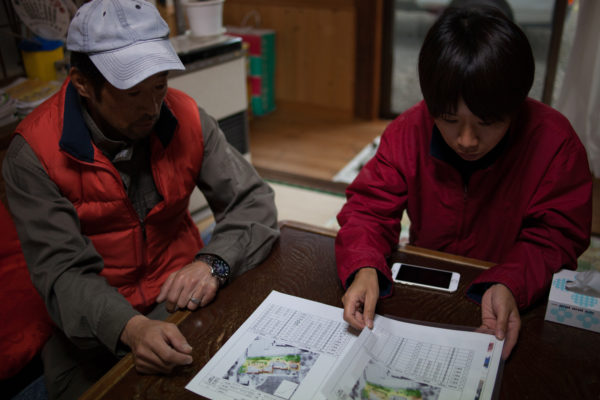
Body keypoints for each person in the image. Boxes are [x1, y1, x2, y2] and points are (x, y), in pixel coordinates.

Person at [2, 0, 279, 398]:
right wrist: (130, 328)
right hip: (92, 324)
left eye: (159, 84)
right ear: (82, 83)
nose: (151, 107)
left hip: (182, 294)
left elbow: (252, 200)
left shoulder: (183, 115)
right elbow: (62, 274)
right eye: (132, 92)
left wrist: (212, 263)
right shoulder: (33, 155)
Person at [336, 5, 592, 361]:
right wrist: (364, 265)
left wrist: (510, 282)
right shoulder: (408, 131)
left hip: (510, 289)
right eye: (450, 120)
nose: (467, 140)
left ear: (515, 105)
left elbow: (556, 235)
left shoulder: (555, 144)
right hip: (431, 279)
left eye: (487, 123)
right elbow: (367, 209)